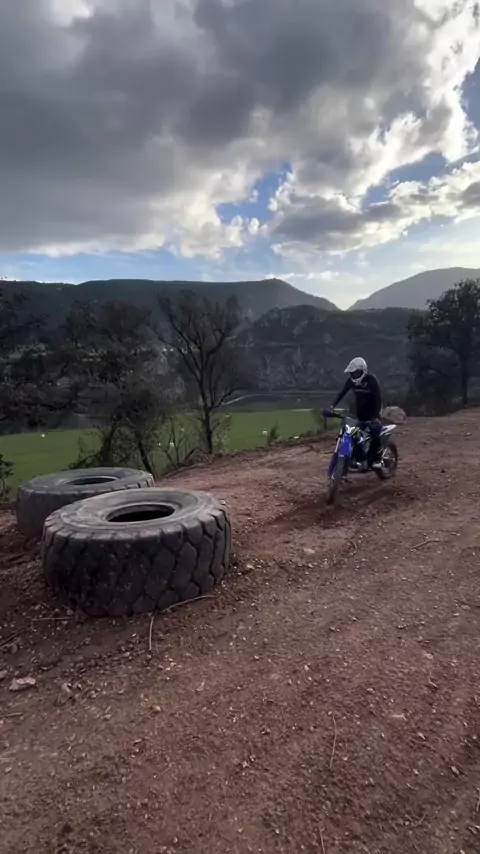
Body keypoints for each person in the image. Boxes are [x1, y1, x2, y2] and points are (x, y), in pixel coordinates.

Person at [331, 357, 382, 468]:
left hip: (373, 415)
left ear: (363, 371)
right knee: (350, 434)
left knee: (375, 432)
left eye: (356, 373)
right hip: (359, 415)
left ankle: (377, 458)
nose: (354, 375)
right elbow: (342, 393)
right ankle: (356, 458)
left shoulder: (371, 380)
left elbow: (378, 399)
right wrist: (332, 406)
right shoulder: (351, 382)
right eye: (352, 373)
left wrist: (375, 416)